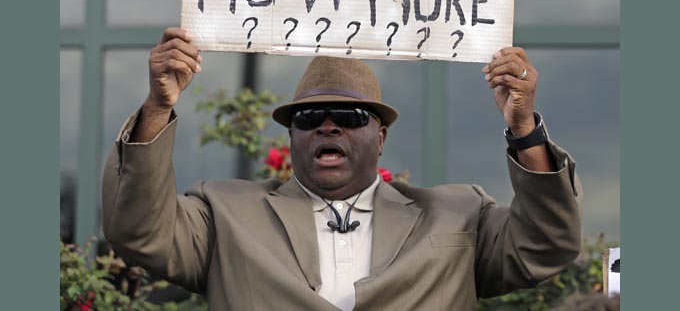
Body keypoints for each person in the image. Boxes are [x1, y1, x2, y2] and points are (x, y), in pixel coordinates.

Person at [102, 27, 583, 311]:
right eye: (310, 118)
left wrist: (523, 127)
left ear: (381, 136)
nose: (328, 128)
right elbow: (139, 230)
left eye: (350, 117)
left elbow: (546, 244)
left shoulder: (459, 214)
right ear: (291, 137)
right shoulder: (223, 213)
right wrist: (158, 106)